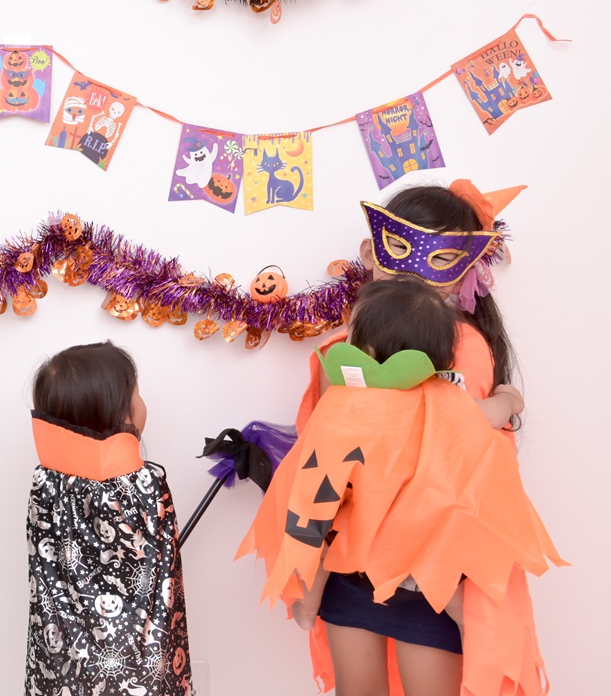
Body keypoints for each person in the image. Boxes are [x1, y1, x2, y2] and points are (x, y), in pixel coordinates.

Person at [240, 277, 563, 696]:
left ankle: (309, 596)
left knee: (324, 540)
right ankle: (466, 617)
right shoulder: (448, 403)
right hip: (425, 582)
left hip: (353, 577)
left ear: (367, 353)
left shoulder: (341, 407)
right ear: (441, 356)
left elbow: (315, 496)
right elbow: (491, 413)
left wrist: (307, 581)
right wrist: (510, 399)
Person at [298, 180, 529, 436]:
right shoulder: (341, 349)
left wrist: (503, 404)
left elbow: (465, 432)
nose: (413, 271)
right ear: (369, 253)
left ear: (460, 279)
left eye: (440, 258)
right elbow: (325, 433)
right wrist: (506, 402)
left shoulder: (465, 345)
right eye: (399, 246)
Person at [24, 342, 190, 696]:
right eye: (137, 394)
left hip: (62, 664)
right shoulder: (147, 485)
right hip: (143, 666)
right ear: (123, 417)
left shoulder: (45, 486)